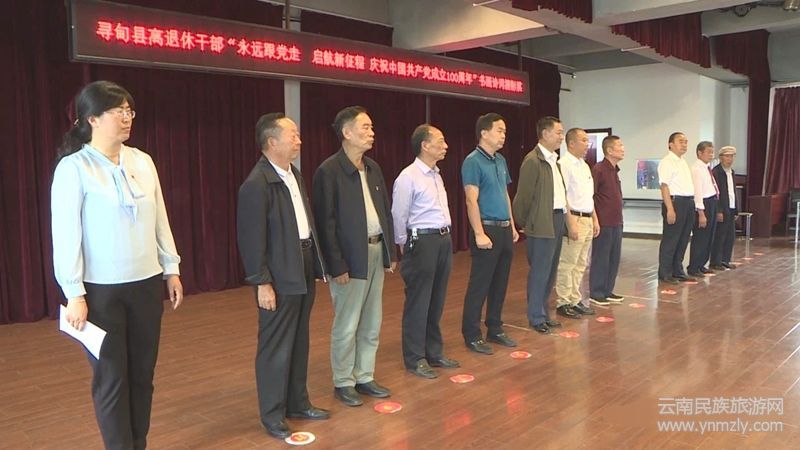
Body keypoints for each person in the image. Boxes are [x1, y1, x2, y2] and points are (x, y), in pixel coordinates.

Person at [52, 80, 183, 450]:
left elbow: (160, 219)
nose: (127, 118)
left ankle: (138, 442)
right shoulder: (74, 168)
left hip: (146, 284)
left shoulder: (142, 161)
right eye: (118, 111)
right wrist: (74, 293)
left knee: (142, 373)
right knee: (111, 377)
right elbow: (66, 235)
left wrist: (171, 267)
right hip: (100, 292)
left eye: (129, 111)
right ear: (92, 119)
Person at [237, 113, 330, 439]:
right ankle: (273, 414)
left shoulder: (294, 175)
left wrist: (315, 265)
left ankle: (298, 403)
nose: (299, 140)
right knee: (275, 345)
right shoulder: (257, 184)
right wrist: (261, 281)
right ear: (272, 141)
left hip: (301, 262)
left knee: (299, 338)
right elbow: (251, 239)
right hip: (278, 272)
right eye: (293, 135)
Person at [313, 106, 397, 407]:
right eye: (365, 127)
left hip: (375, 251)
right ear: (346, 133)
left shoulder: (373, 168)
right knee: (347, 323)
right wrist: (336, 264)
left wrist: (390, 252)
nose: (371, 132)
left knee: (372, 320)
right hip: (350, 259)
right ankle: (343, 381)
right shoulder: (329, 171)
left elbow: (384, 211)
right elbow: (325, 223)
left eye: (371, 127)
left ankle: (364, 375)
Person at [392, 124, 459, 379]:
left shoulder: (436, 175)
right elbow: (399, 214)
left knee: (436, 300)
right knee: (419, 301)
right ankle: (415, 358)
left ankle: (433, 352)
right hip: (422, 241)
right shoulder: (408, 176)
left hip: (442, 239)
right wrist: (403, 244)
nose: (445, 146)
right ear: (425, 145)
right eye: (440, 141)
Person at [461, 113, 519, 354]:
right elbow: (471, 199)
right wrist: (478, 233)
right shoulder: (472, 161)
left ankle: (495, 328)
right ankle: (472, 334)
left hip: (504, 228)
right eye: (499, 130)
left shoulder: (500, 160)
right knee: (480, 284)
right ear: (484, 133)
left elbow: (505, 194)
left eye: (505, 131)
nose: (503, 135)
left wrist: (512, 225)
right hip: (486, 228)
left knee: (500, 283)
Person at [512, 116, 567, 334]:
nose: (561, 137)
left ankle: (544, 312)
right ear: (545, 134)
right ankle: (535, 316)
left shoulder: (554, 161)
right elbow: (522, 198)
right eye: (558, 132)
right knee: (540, 270)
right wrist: (527, 222)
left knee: (551, 270)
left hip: (557, 218)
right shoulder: (533, 161)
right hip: (542, 221)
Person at [554, 128, 601, 320]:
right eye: (583, 140)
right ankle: (563, 301)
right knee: (568, 262)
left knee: (581, 263)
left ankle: (575, 299)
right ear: (571, 143)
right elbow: (563, 195)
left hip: (587, 217)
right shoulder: (564, 164)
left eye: (587, 140)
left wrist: (595, 218)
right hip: (574, 218)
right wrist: (570, 222)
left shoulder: (585, 165)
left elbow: (589, 196)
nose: (587, 144)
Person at [589, 136, 626, 306]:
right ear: (609, 150)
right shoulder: (599, 169)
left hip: (616, 221)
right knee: (601, 257)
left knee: (613, 257)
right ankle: (596, 292)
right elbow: (591, 195)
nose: (623, 148)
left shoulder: (614, 170)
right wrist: (595, 219)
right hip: (603, 221)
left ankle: (607, 290)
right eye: (619, 145)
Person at [657, 132, 696, 285]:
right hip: (675, 202)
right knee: (671, 239)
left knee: (683, 238)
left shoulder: (683, 162)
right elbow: (664, 186)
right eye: (681, 141)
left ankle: (677, 270)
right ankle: (665, 273)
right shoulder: (667, 162)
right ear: (671, 144)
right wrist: (670, 209)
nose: (684, 144)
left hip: (688, 202)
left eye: (686, 142)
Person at [687, 141, 719, 277]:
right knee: (700, 237)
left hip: (712, 202)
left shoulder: (706, 168)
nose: (711, 155)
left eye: (712, 152)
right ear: (700, 153)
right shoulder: (696, 169)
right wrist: (701, 213)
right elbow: (698, 192)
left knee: (709, 236)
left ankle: (701, 264)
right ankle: (694, 267)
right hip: (703, 204)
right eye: (708, 152)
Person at [710, 146, 738, 270]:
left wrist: (736, 209)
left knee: (730, 236)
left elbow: (733, 192)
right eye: (727, 156)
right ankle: (716, 261)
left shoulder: (731, 172)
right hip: (722, 208)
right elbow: (716, 193)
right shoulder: (716, 172)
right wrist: (719, 210)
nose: (729, 159)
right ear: (721, 157)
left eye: (731, 156)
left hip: (731, 207)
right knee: (719, 235)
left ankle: (725, 260)